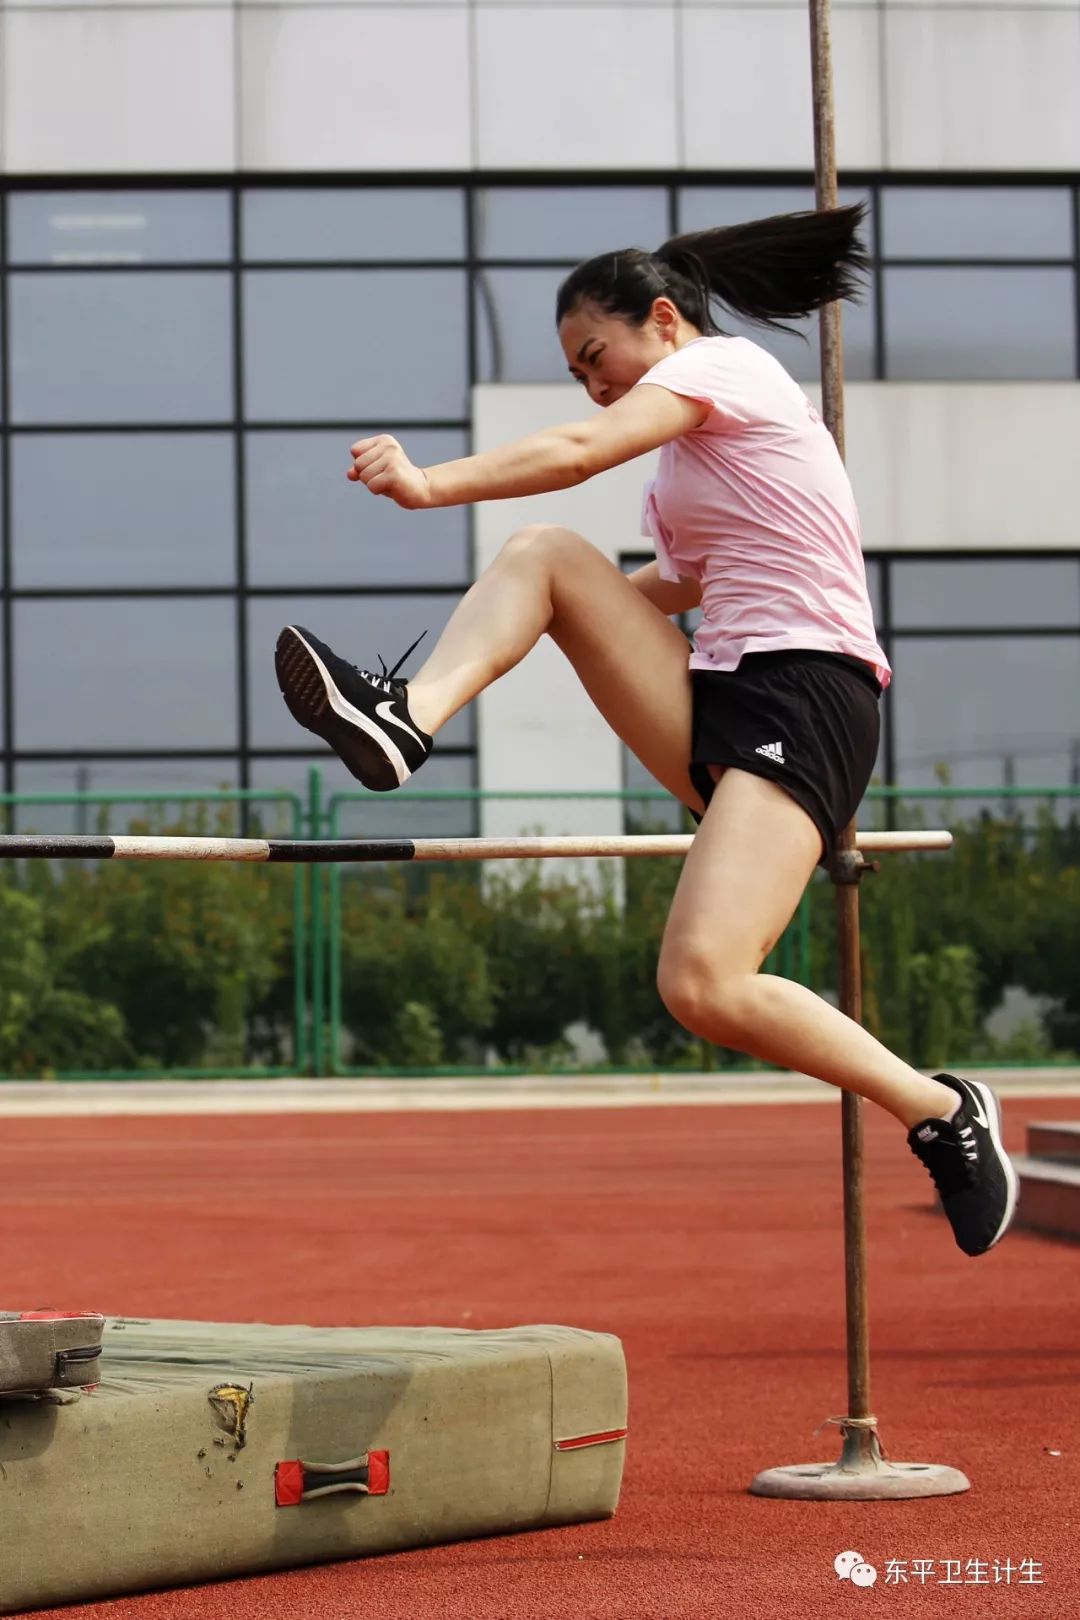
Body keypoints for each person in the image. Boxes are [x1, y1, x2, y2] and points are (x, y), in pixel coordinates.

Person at [275, 206, 1018, 1259]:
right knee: (544, 559)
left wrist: (430, 484)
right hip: (723, 692)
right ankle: (406, 722)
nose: (592, 386)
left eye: (596, 356)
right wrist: (552, 627)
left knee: (702, 983)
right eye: (577, 373)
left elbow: (579, 453)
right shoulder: (685, 473)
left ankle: (941, 1108)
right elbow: (665, 588)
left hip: (808, 692)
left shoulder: (735, 373)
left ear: (663, 322)